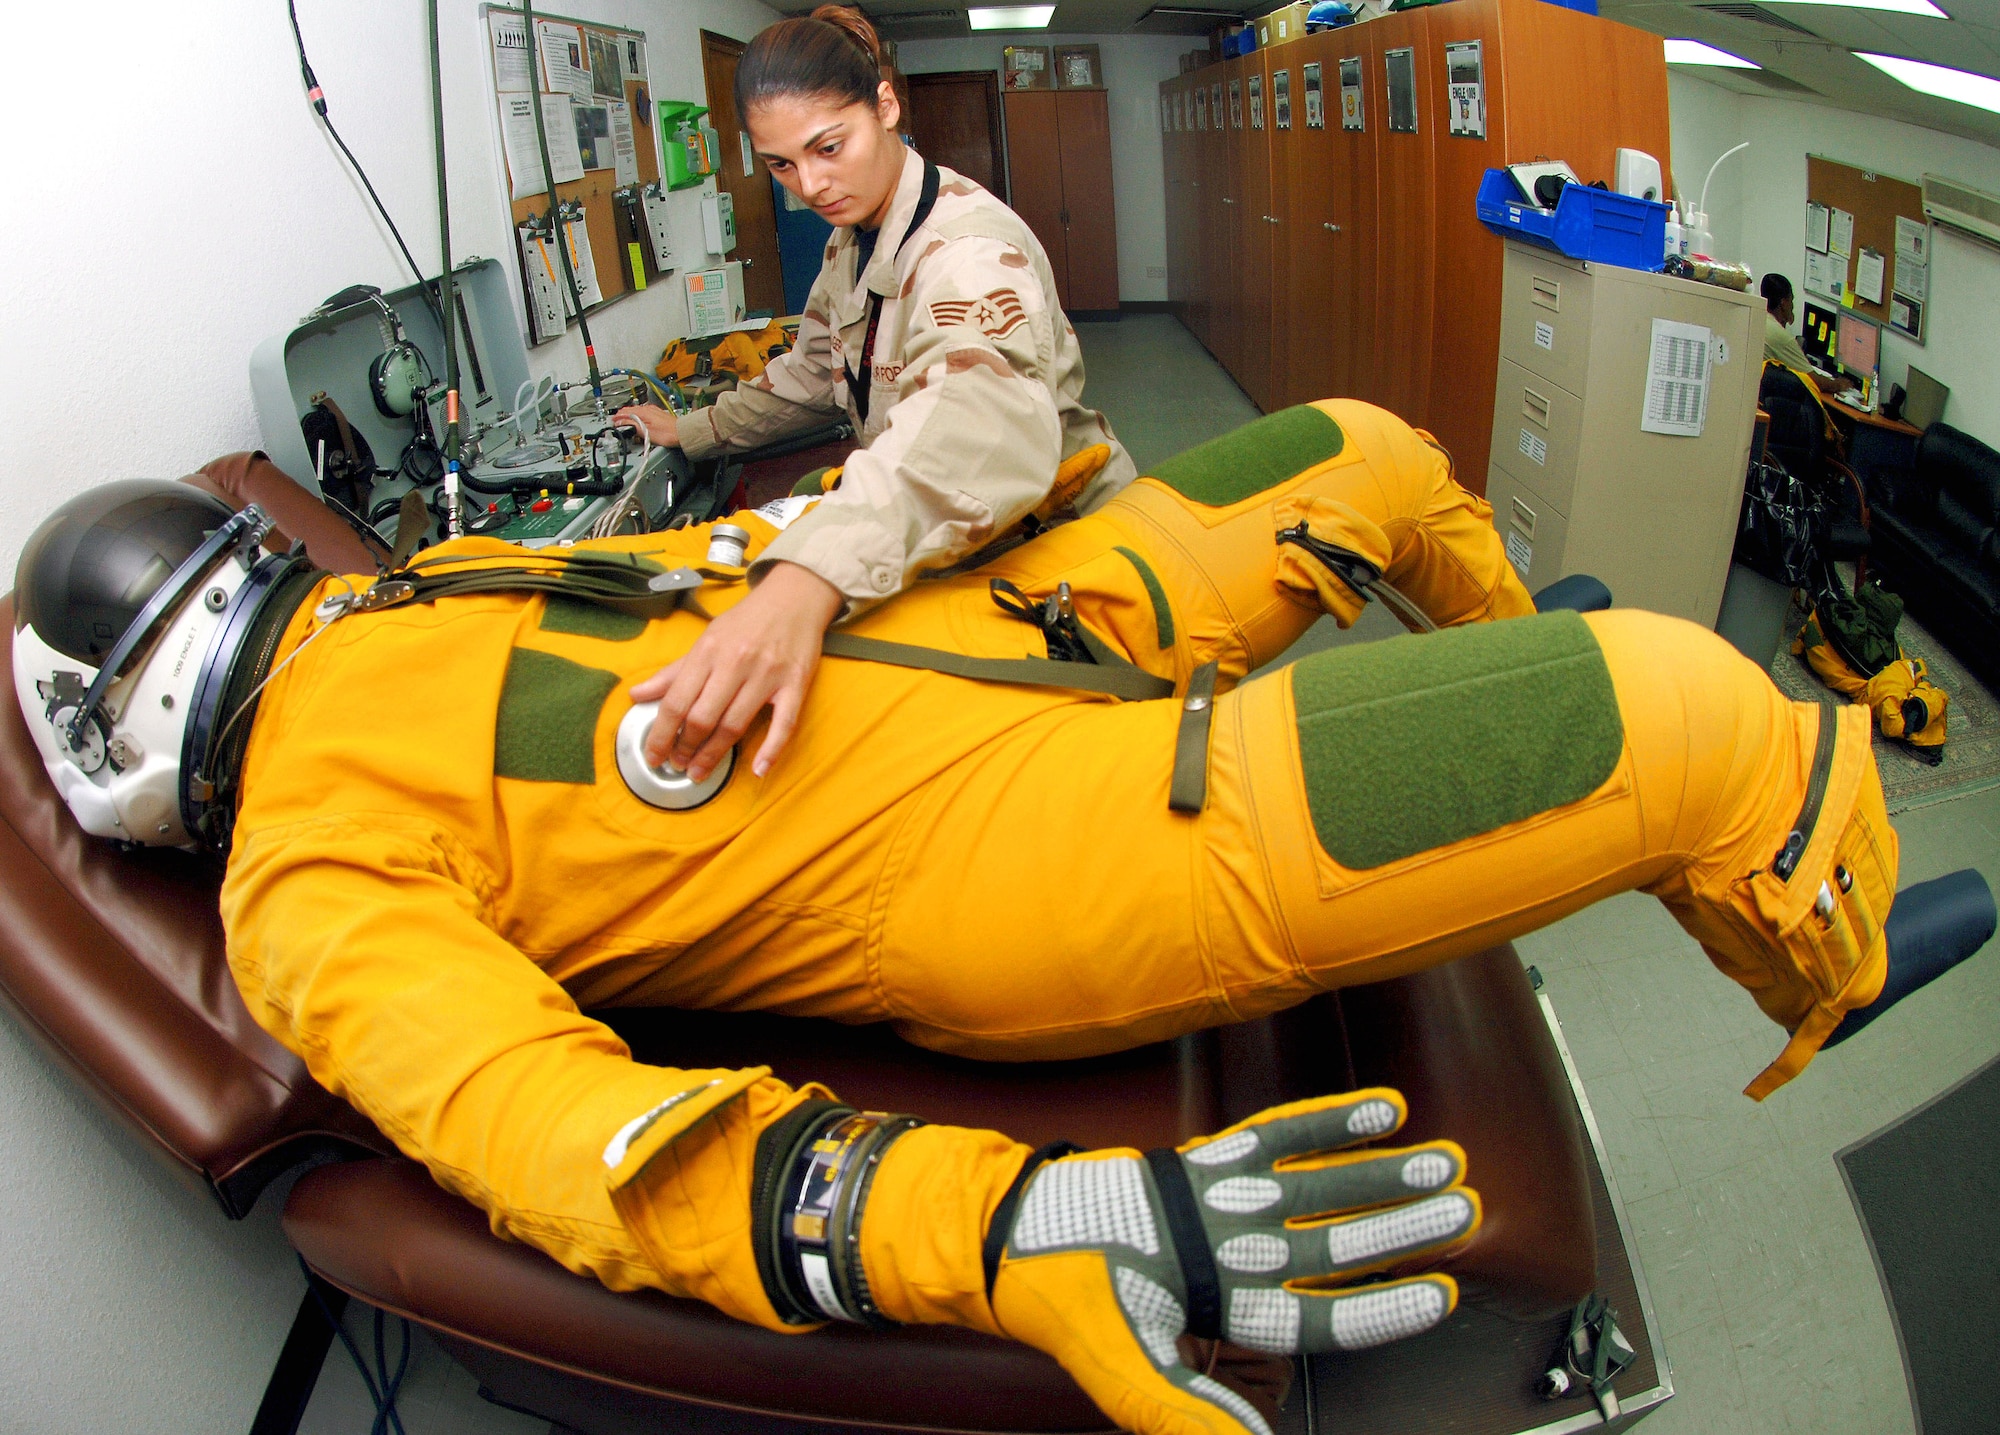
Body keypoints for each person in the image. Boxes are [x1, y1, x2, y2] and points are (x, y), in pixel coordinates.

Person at [15, 401, 1917, 1435]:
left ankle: (1505, 666)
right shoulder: (306, 885)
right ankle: (1821, 928)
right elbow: (570, 1144)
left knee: (1372, 448)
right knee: (1681, 715)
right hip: (992, 846)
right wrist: (1013, 1224)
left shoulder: (407, 592)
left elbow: (704, 560)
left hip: (963, 636)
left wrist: (931, 522)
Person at [612, 6, 1132, 793]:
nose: (810, 184)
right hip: (954, 537)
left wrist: (807, 578)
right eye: (781, 165)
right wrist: (688, 429)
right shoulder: (850, 236)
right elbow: (807, 374)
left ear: (885, 107)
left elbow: (976, 424)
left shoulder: (964, 252)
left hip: (1065, 556)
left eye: (829, 147)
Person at [1761, 273, 1848, 398]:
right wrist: (1839, 384)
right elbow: (1814, 381)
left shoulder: (1758, 319)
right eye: (1791, 300)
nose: (1793, 306)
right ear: (1784, 303)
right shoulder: (1780, 336)